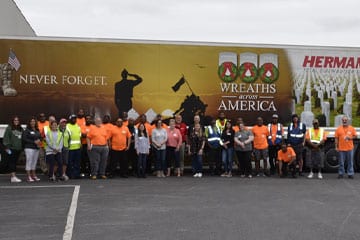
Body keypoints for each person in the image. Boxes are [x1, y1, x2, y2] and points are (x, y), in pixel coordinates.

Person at [3, 116, 24, 183]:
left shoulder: (20, 129)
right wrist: (7, 147)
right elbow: (6, 138)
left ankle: (13, 176)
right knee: (12, 162)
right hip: (11, 149)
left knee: (15, 162)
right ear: (12, 121)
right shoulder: (9, 128)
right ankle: (13, 177)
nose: (16, 121)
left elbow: (22, 138)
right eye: (15, 120)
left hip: (18, 149)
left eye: (17, 120)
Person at [22, 117, 42, 182]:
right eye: (31, 121)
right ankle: (28, 176)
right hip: (29, 148)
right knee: (29, 161)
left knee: (34, 162)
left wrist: (39, 140)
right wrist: (33, 142)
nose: (33, 122)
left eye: (34, 121)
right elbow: (24, 139)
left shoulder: (37, 130)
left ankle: (34, 175)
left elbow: (40, 137)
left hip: (36, 148)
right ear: (29, 123)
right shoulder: (27, 130)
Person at [66, 114, 82, 179]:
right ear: (70, 119)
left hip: (78, 148)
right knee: (70, 162)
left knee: (77, 162)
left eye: (75, 119)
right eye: (73, 119)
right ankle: (70, 174)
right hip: (70, 148)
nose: (74, 120)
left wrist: (81, 144)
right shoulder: (67, 126)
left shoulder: (78, 126)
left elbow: (79, 136)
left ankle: (77, 174)